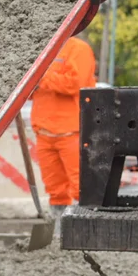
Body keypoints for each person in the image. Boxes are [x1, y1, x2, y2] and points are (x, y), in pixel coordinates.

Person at [30, 35, 96, 233]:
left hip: (72, 132)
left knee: (81, 186)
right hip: (44, 131)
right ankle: (60, 234)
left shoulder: (78, 49)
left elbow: (74, 84)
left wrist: (40, 77)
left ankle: (88, 230)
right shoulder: (41, 47)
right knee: (55, 190)